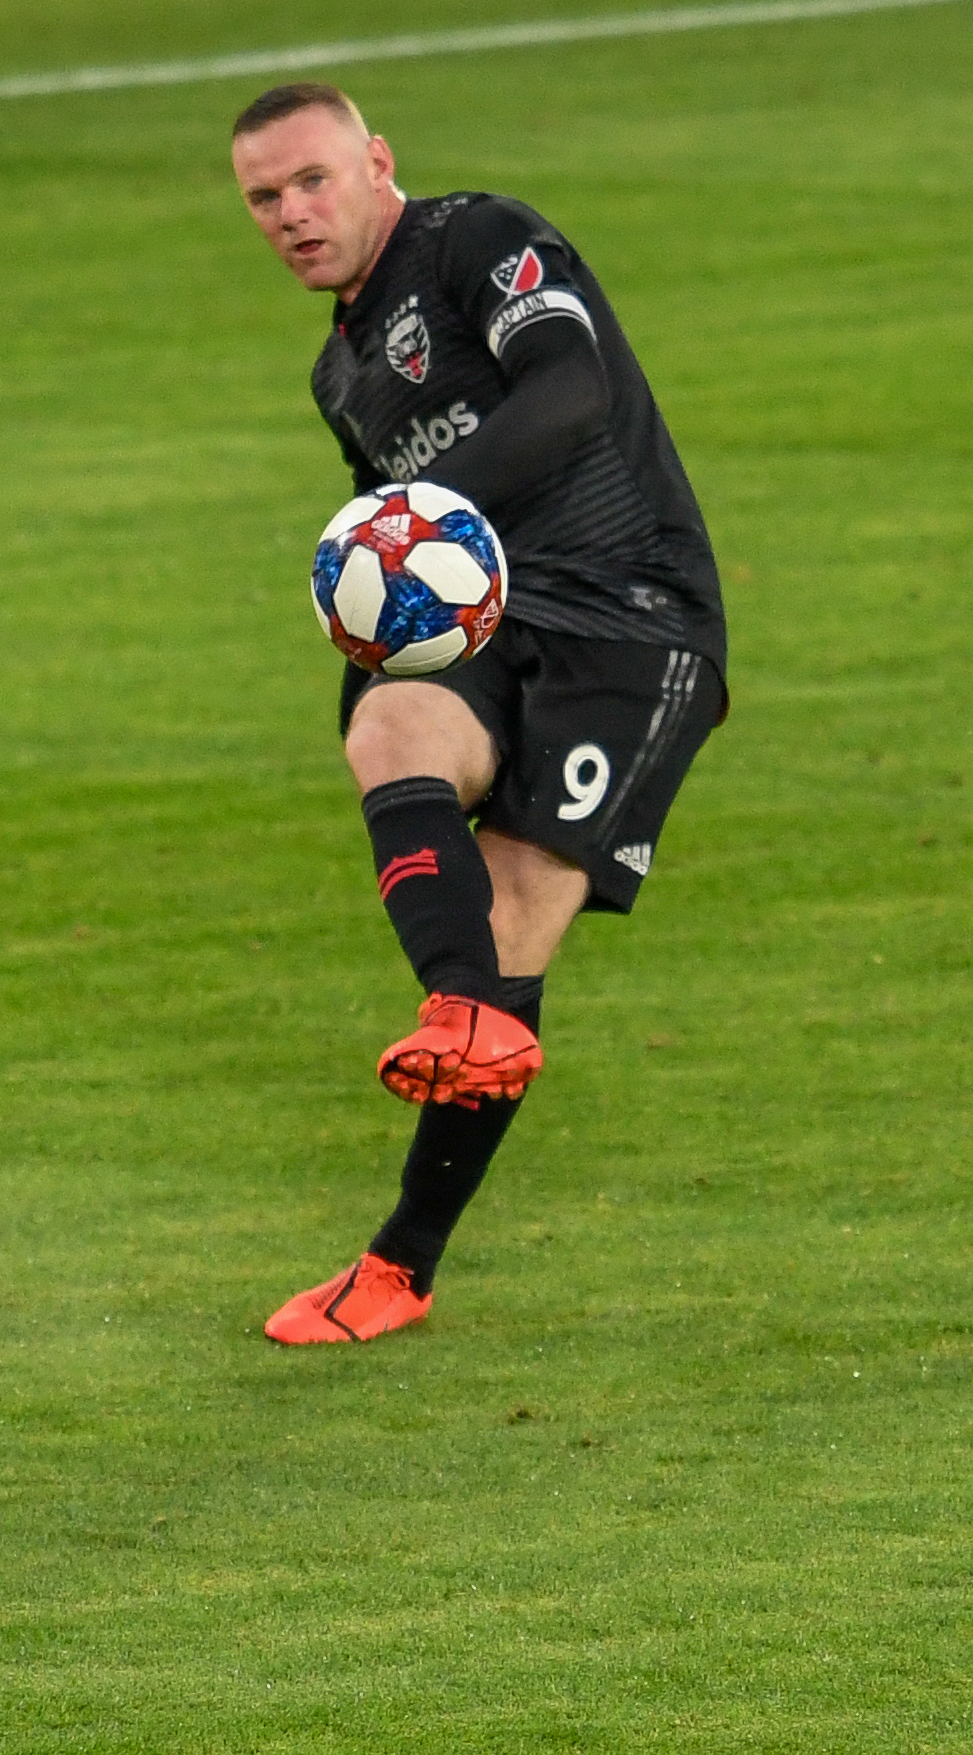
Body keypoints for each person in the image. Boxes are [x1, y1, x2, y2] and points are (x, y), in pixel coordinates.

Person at [231, 83, 729, 1345]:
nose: (290, 214)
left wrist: (419, 514)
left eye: (310, 180)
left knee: (513, 919)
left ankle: (399, 1262)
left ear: (375, 162)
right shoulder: (338, 371)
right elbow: (392, 551)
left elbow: (570, 389)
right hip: (489, 612)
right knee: (386, 733)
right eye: (263, 198)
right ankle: (456, 1005)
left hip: (629, 615)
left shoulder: (473, 239)